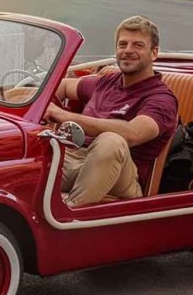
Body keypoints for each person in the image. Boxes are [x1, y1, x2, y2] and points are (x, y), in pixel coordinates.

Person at [45, 16, 179, 207]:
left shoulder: (161, 99)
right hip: (75, 158)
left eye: (138, 45)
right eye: (122, 44)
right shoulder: (107, 82)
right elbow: (65, 86)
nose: (128, 51)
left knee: (112, 140)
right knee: (30, 145)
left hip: (120, 177)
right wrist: (31, 102)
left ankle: (70, 213)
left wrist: (64, 115)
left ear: (154, 53)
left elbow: (133, 134)